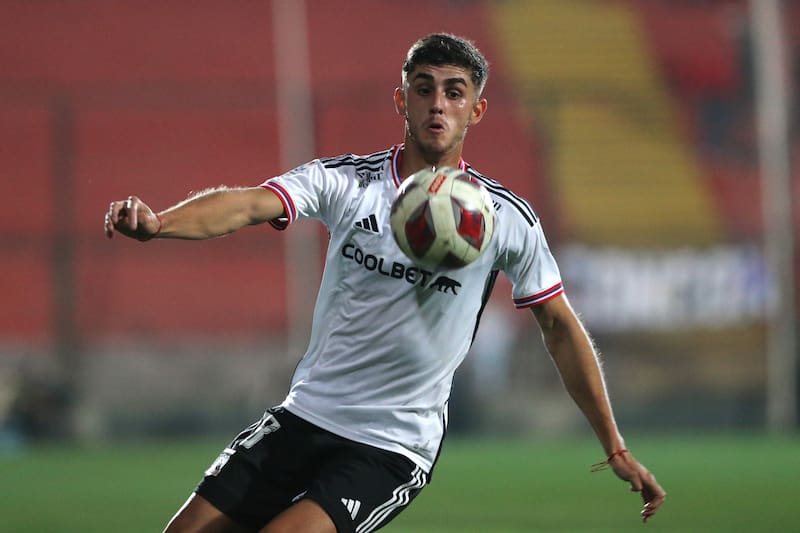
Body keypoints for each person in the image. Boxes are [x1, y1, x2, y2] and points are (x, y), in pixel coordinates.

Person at [104, 33, 666, 533]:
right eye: (424, 89)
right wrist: (160, 224)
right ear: (402, 100)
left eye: (454, 92)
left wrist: (613, 445)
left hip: (392, 445)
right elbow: (250, 204)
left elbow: (559, 326)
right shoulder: (349, 183)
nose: (438, 104)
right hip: (305, 415)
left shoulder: (504, 219)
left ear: (476, 109)